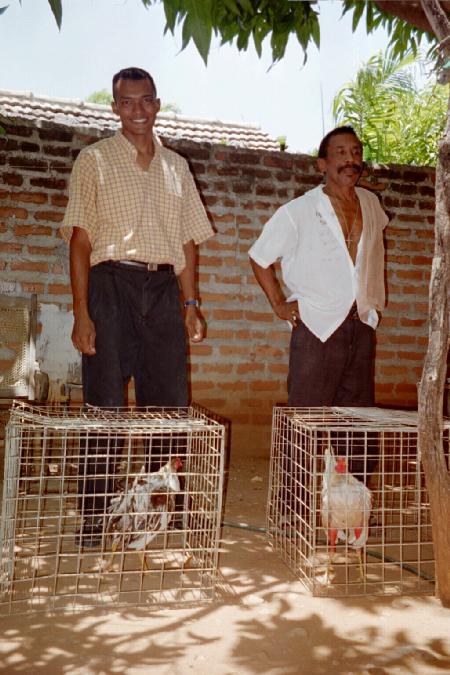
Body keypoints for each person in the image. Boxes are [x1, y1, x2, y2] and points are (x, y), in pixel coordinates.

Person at [61, 67, 214, 547]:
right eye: (127, 103)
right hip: (110, 287)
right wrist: (81, 311)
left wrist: (190, 302)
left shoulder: (177, 167)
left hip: (164, 290)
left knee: (169, 404)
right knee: (104, 404)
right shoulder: (95, 160)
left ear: (157, 103)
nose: (138, 111)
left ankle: (162, 507)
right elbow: (80, 242)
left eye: (146, 100)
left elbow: (189, 242)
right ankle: (94, 517)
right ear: (114, 108)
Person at [249, 126, 388, 480]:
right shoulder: (299, 210)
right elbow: (259, 257)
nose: (350, 159)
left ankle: (350, 512)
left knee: (358, 423)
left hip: (361, 323)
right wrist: (279, 304)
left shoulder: (372, 205)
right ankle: (291, 512)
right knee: (305, 421)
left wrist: (370, 303)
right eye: (340, 153)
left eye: (355, 152)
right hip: (316, 326)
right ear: (322, 164)